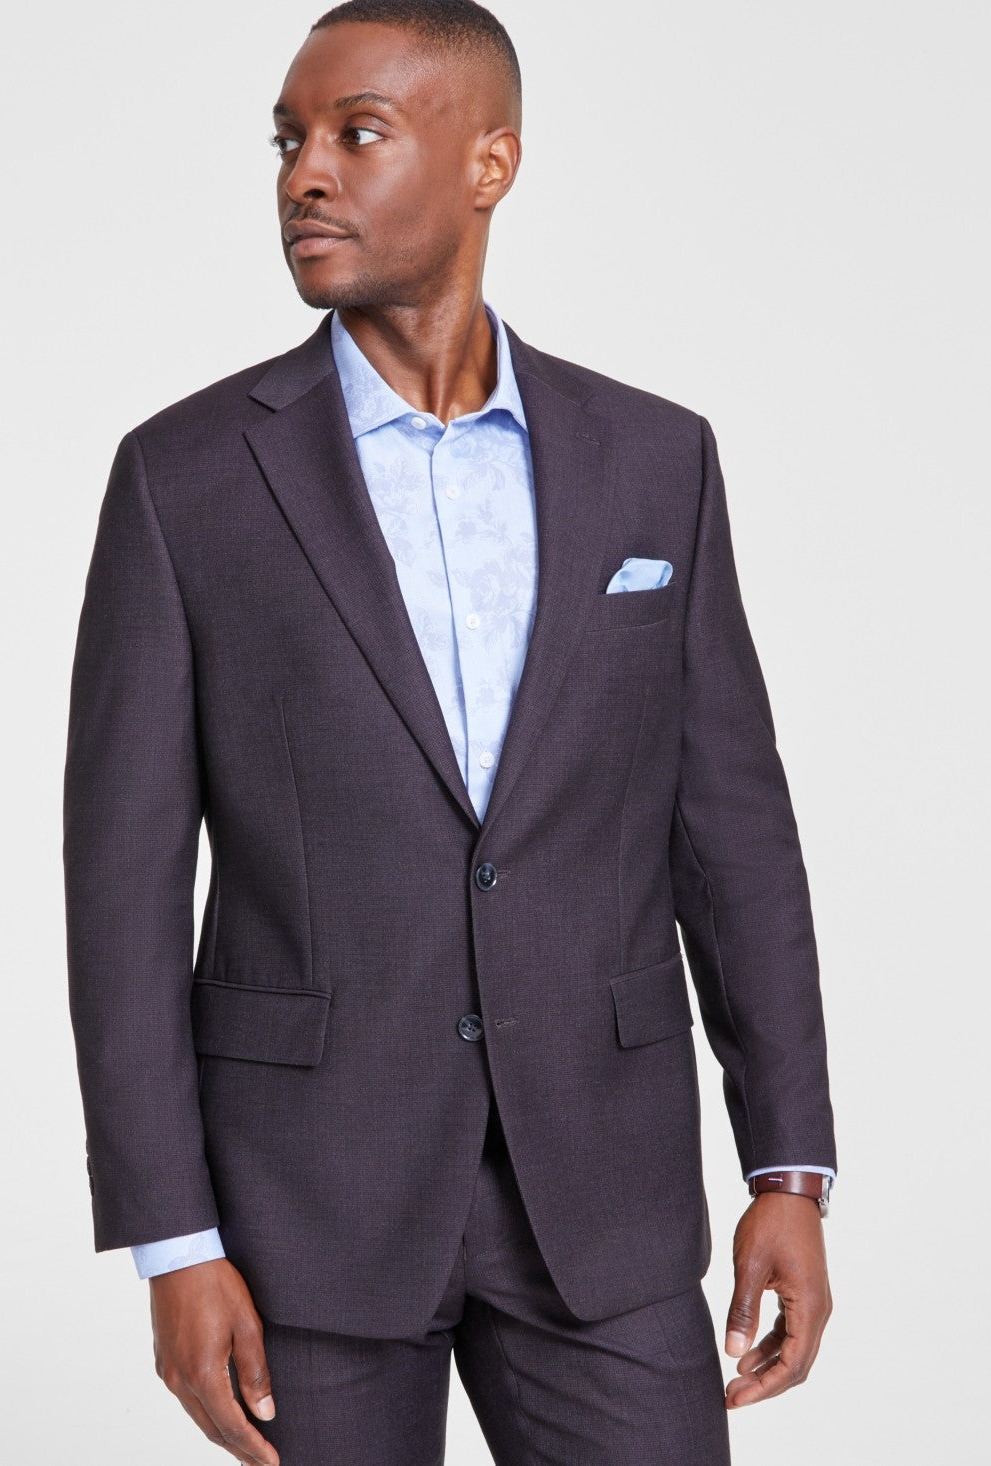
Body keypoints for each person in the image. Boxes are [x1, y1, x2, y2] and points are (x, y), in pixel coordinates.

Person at [62, 2, 838, 1461]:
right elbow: (122, 889)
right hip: (307, 1208)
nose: (305, 173)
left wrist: (788, 1165)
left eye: (357, 134)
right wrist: (173, 1237)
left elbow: (733, 832)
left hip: (602, 1193)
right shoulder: (187, 480)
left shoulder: (654, 460)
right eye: (288, 141)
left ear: (492, 162)